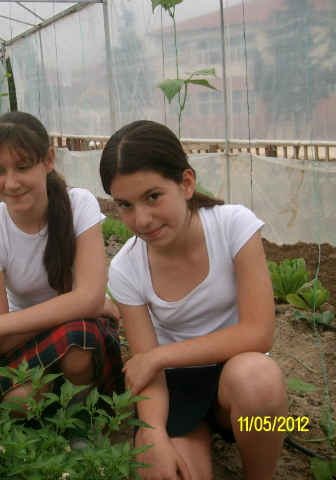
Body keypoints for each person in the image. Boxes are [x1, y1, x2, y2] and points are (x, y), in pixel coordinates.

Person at [100, 120, 287, 480]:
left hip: (235, 384)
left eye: (153, 196)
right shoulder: (126, 268)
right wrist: (151, 432)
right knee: (170, 472)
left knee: (260, 378)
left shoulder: (233, 227)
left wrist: (159, 356)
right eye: (125, 204)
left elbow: (258, 334)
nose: (142, 219)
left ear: (186, 183)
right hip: (174, 389)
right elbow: (147, 373)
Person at [0, 111, 124, 416]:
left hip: (78, 330)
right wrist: (83, 303)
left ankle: (82, 422)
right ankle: (49, 437)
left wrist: (0, 325)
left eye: (23, 167)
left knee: (77, 349)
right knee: (21, 400)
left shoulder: (79, 205)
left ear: (48, 160)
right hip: (25, 337)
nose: (11, 183)